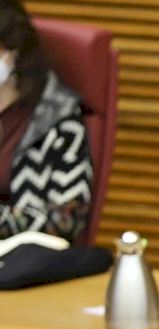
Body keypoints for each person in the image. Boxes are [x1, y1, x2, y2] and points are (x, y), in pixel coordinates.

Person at [0, 0, 93, 243]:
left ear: (13, 51)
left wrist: (4, 220)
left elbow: (66, 220)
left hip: (20, 256)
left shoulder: (59, 117)